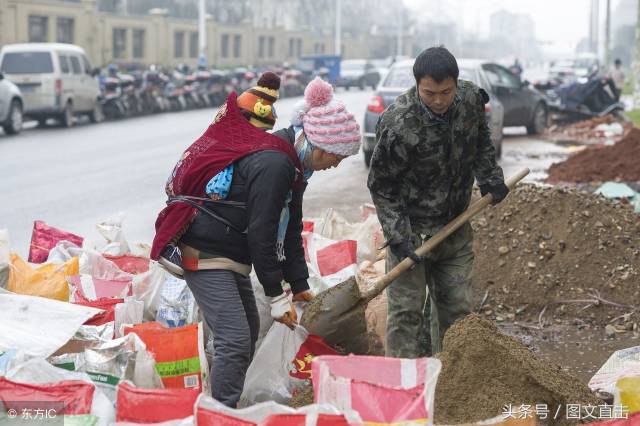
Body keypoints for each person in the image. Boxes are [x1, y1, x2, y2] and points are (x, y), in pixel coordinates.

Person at [150, 75, 361, 407]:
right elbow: (263, 232)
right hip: (206, 250)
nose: (335, 164)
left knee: (246, 330)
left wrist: (298, 282)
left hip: (229, 251)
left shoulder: (292, 165)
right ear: (317, 142)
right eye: (336, 156)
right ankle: (220, 412)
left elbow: (290, 227)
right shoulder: (274, 163)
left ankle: (222, 402)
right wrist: (276, 297)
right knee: (234, 338)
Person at [367, 46, 509, 358]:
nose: (439, 100)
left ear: (457, 84)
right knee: (405, 316)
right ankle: (403, 389)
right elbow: (382, 186)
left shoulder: (471, 100)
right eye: (430, 93)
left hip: (454, 228)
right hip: (411, 233)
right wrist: (398, 236)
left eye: (446, 92)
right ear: (418, 85)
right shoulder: (398, 123)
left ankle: (448, 384)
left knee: (456, 311)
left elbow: (481, 139)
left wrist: (489, 176)